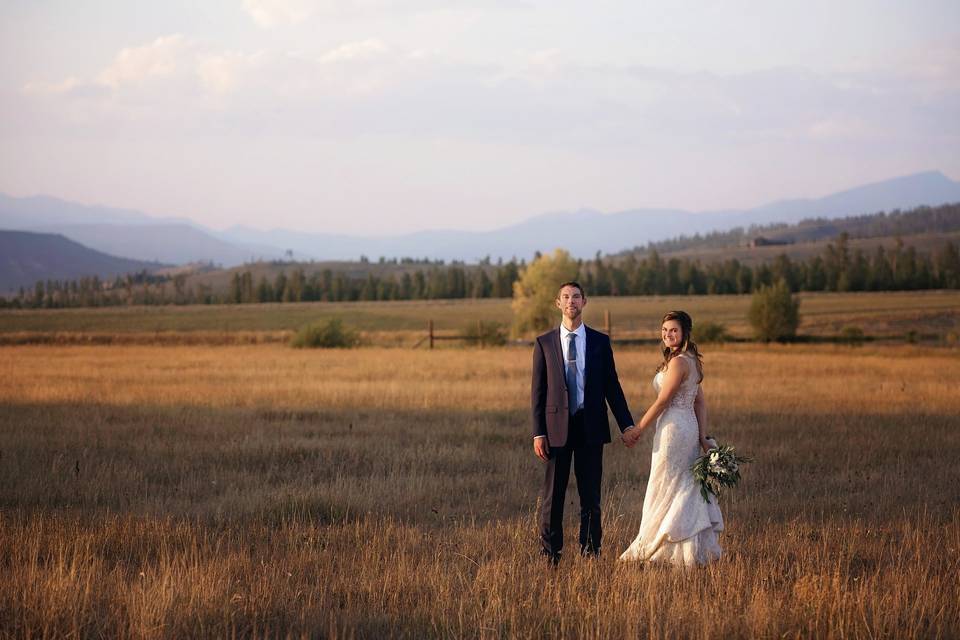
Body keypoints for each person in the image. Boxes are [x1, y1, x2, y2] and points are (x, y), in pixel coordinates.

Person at [531, 281, 635, 563]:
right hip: (556, 430)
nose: (571, 301)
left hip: (591, 427)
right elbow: (538, 392)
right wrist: (538, 433)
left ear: (584, 302)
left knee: (591, 496)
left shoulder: (600, 342)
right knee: (553, 496)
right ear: (558, 303)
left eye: (576, 296)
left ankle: (591, 552)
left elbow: (612, 386)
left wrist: (626, 424)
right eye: (565, 297)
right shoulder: (544, 343)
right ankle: (550, 554)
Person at [619, 310, 723, 567]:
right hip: (684, 427)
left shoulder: (678, 363)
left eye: (673, 330)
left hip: (674, 430)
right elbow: (699, 402)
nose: (668, 335)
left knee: (667, 484)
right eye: (664, 331)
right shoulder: (690, 361)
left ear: (685, 332)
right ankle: (680, 545)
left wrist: (638, 428)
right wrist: (701, 437)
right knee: (680, 484)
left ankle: (661, 546)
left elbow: (664, 400)